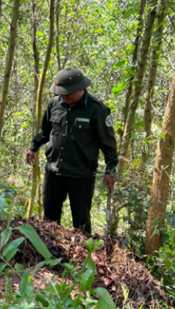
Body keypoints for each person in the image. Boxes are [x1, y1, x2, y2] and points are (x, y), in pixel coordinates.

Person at [26, 68, 118, 233]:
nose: (64, 97)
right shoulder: (54, 103)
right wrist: (33, 147)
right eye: (61, 94)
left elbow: (108, 144)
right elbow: (45, 131)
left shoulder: (97, 110)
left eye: (68, 94)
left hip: (81, 175)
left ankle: (84, 255)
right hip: (54, 172)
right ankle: (50, 253)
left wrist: (110, 170)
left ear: (80, 89)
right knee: (49, 222)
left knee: (81, 222)